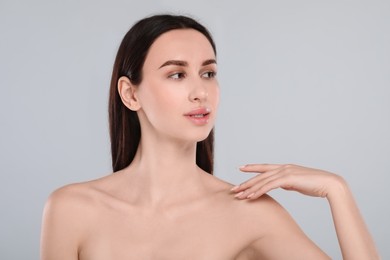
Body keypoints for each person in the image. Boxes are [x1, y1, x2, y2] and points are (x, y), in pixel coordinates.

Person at [40, 14, 380, 260]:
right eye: (176, 74)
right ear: (130, 94)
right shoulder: (71, 210)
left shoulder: (251, 213)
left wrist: (338, 191)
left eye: (208, 73)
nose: (200, 91)